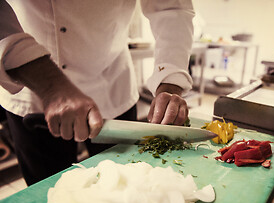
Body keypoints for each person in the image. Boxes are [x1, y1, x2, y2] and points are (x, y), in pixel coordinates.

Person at [0, 0, 195, 185]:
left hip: (113, 86)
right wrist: (50, 86)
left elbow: (171, 8)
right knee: (46, 195)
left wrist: (169, 80)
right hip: (32, 90)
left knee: (124, 185)